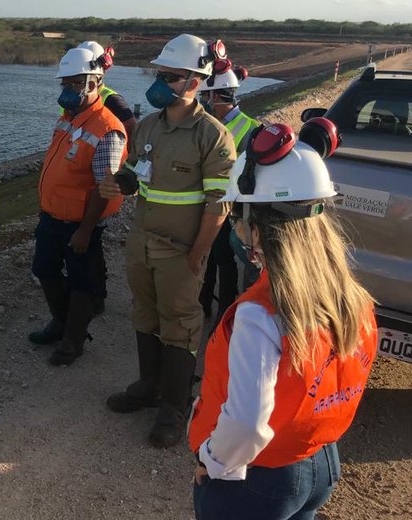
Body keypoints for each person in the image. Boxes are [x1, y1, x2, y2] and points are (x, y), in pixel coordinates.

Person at [188, 119, 377, 520]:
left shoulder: (259, 315)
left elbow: (245, 424)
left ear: (260, 227)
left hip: (258, 479)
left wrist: (212, 458)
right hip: (321, 462)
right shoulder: (349, 296)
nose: (237, 228)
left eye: (239, 217)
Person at [100, 35, 236, 448]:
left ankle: (174, 409)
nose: (161, 84)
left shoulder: (211, 136)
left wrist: (199, 252)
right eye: (160, 75)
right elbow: (139, 172)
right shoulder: (149, 126)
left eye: (171, 77)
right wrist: (119, 183)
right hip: (143, 241)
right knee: (144, 312)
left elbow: (219, 203)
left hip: (181, 250)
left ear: (196, 80)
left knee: (180, 326)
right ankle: (148, 385)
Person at [28, 47, 127, 366]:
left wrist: (85, 231)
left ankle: (73, 340)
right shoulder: (68, 118)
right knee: (44, 268)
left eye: (74, 84)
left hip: (81, 223)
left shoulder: (106, 128)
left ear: (94, 82)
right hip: (52, 215)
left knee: (83, 281)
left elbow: (104, 185)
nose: (67, 90)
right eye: (65, 84)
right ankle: (60, 321)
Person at [76, 40, 138, 315]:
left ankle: (96, 296)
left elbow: (132, 129)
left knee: (93, 240)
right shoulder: (78, 96)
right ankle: (89, 293)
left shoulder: (111, 98)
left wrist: (124, 163)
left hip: (100, 175)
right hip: (80, 171)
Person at [197, 61, 262, 322]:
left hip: (230, 210)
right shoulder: (207, 124)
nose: (203, 101)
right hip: (205, 202)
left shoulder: (250, 129)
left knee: (224, 260)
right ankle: (202, 306)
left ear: (216, 95)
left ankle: (224, 314)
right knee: (207, 259)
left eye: (205, 96)